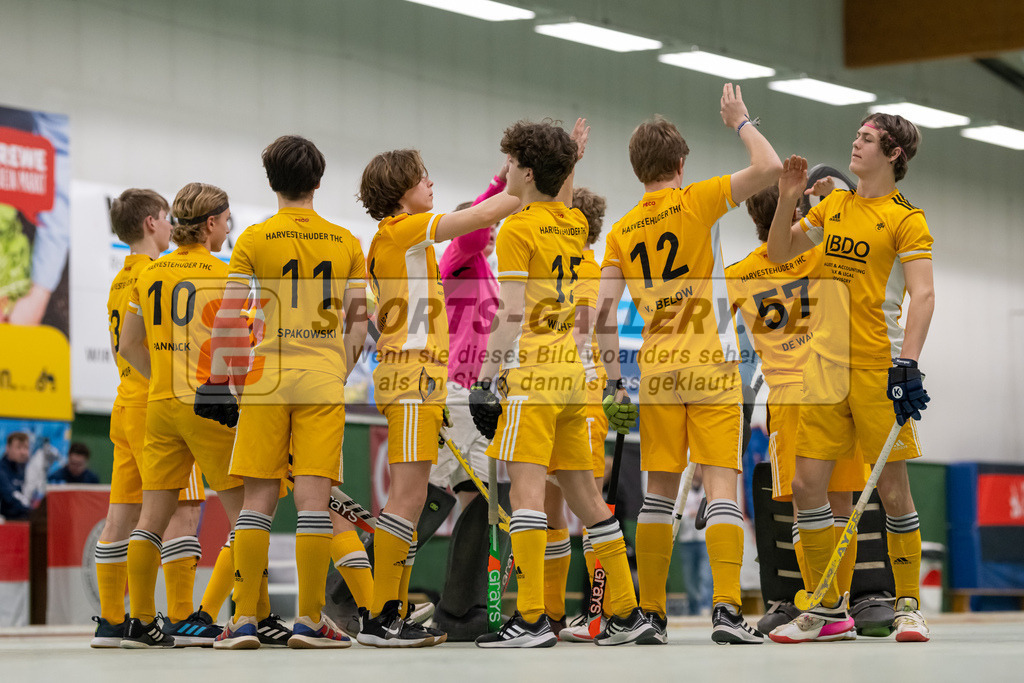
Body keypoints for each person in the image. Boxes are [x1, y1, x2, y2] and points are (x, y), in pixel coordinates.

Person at [595, 84, 782, 645]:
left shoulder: (622, 233)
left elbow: (602, 316)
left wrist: (613, 385)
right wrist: (740, 120)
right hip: (710, 361)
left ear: (636, 170)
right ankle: (726, 610)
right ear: (680, 164)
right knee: (723, 484)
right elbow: (770, 167)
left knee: (657, 492)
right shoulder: (698, 199)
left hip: (654, 370)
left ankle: (650, 614)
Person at [470, 118, 655, 649]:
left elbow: (509, 312)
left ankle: (529, 619)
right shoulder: (573, 225)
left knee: (526, 496)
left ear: (527, 172)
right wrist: (571, 157)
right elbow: (561, 194)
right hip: (577, 383)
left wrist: (486, 378)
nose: (504, 169)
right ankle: (624, 612)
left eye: (509, 163)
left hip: (533, 374)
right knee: (587, 501)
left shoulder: (516, 230)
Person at [765, 113, 933, 644]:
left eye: (866, 139)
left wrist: (907, 362)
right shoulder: (833, 205)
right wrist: (791, 196)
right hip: (822, 368)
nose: (854, 144)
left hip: (878, 368)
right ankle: (826, 609)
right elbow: (778, 252)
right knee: (806, 486)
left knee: (892, 489)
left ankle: (909, 606)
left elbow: (923, 295)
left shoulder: (908, 219)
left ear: (894, 154)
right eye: (857, 137)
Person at [202, 135, 364, 650]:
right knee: (315, 507)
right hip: (322, 377)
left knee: (256, 503)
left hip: (266, 380)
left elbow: (229, 316)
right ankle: (310, 621)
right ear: (318, 181)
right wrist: (338, 368)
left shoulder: (252, 239)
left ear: (271, 182)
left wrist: (224, 380)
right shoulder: (346, 242)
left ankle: (244, 620)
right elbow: (360, 325)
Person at [356, 144, 519, 647]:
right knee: (406, 501)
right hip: (410, 379)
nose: (431, 184)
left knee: (414, 499)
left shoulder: (413, 243)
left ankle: (388, 612)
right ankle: (379, 614)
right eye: (422, 177)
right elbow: (485, 214)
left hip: (425, 381)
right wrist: (526, 180)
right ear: (400, 190)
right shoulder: (402, 231)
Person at [726, 183, 880, 635]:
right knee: (840, 504)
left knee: (803, 508)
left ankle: (821, 607)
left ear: (754, 216)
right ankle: (838, 606)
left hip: (789, 396)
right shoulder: (823, 254)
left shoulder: (738, 274)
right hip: (837, 386)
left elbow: (719, 340)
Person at [90, 188, 223, 649]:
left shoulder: (120, 279)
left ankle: (112, 622)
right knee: (183, 512)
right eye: (166, 218)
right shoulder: (160, 274)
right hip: (159, 405)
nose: (170, 226)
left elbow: (123, 345)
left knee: (121, 516)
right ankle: (182, 617)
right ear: (151, 222)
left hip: (125, 403)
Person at [117, 182, 245, 648]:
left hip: (159, 406)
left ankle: (140, 621)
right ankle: (252, 617)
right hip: (209, 406)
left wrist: (162, 380)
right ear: (211, 223)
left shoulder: (148, 273)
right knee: (248, 512)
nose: (229, 229)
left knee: (150, 518)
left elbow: (129, 344)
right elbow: (236, 350)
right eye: (227, 220)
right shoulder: (226, 273)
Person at [432, 164, 513, 639]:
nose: (495, 231)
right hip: (456, 391)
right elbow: (478, 224)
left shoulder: (487, 272)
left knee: (478, 499)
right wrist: (500, 185)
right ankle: (350, 595)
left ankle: (461, 608)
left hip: (474, 395)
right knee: (444, 496)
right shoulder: (459, 257)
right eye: (489, 224)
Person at [543, 186, 611, 642]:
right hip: (554, 391)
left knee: (589, 506)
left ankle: (600, 614)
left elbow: (587, 330)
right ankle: (549, 615)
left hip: (582, 393)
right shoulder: (563, 268)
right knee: (552, 510)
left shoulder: (587, 270)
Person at [0, 432, 31, 520]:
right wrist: (32, 511)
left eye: (26, 448)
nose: (23, 452)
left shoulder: (23, 468)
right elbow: (11, 497)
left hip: (21, 519)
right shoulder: (2, 470)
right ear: (7, 448)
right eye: (19, 448)